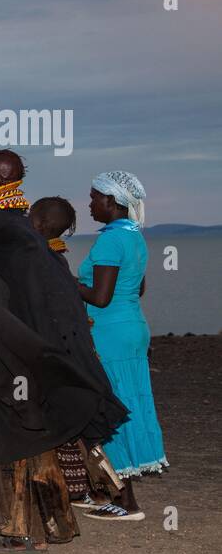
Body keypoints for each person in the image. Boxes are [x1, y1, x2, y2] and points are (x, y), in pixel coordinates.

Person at [0, 150, 127, 553]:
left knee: (21, 439)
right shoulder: (21, 231)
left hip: (22, 353)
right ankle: (50, 525)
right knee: (38, 439)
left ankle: (25, 531)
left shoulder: (1, 231)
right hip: (39, 350)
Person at [78, 171, 169, 521]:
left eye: (93, 198)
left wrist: (68, 284)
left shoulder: (109, 242)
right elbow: (137, 288)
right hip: (133, 325)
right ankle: (114, 490)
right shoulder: (134, 237)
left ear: (110, 201)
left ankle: (125, 501)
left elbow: (100, 297)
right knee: (131, 403)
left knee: (112, 409)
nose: (88, 204)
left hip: (110, 331)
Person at [30, 196, 119, 508]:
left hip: (52, 351)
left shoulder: (38, 259)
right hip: (69, 349)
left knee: (58, 423)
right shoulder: (57, 258)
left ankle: (73, 489)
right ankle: (80, 487)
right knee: (70, 423)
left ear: (38, 225)